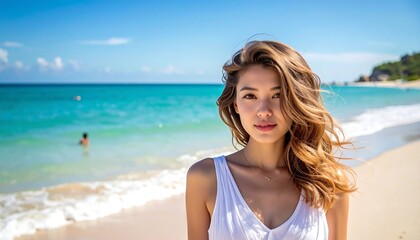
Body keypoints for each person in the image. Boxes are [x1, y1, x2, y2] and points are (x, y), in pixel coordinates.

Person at [186, 40, 356, 240]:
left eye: (278, 95)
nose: (264, 111)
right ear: (236, 105)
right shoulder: (205, 178)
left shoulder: (328, 183)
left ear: (296, 100)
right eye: (250, 96)